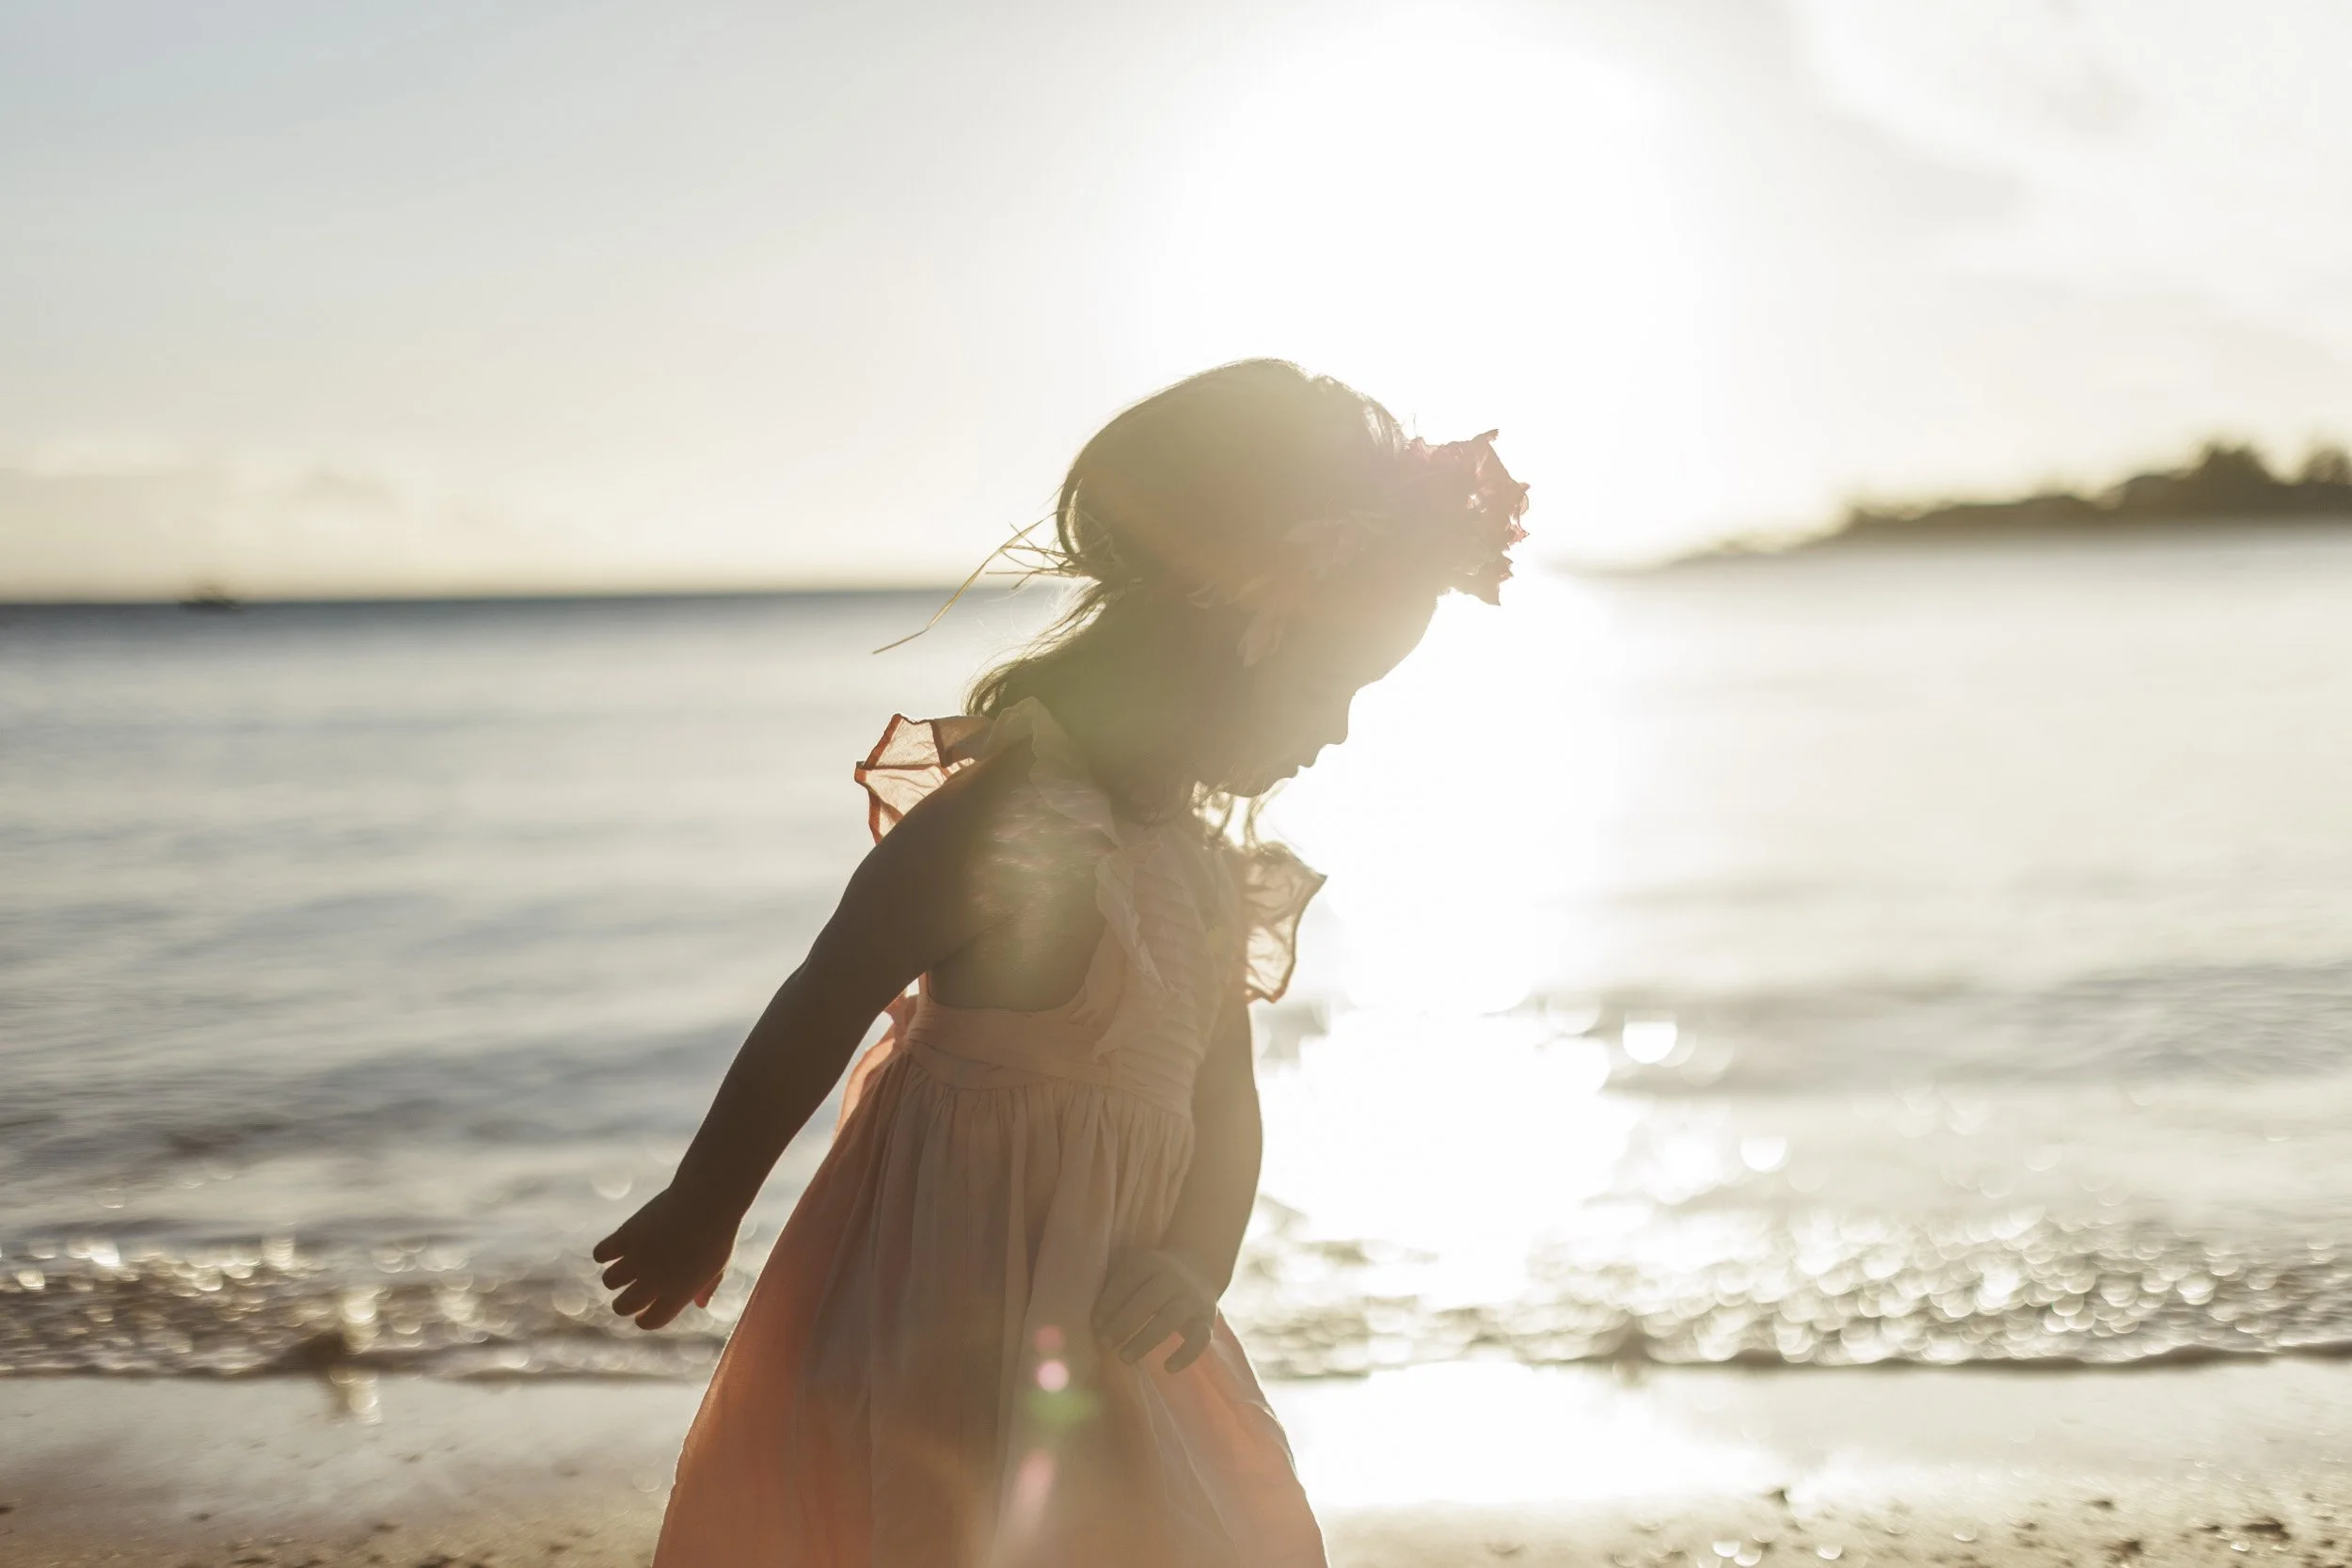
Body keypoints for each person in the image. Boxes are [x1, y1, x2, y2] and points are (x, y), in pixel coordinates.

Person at [593, 357, 1530, 1567]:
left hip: (1109, 1326)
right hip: (936, 1305)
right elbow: (823, 998)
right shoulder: (1011, 819)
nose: (1337, 728)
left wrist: (1195, 1260)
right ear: (1237, 633)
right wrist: (705, 1201)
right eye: (1329, 683)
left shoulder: (1202, 876)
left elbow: (1225, 1103)